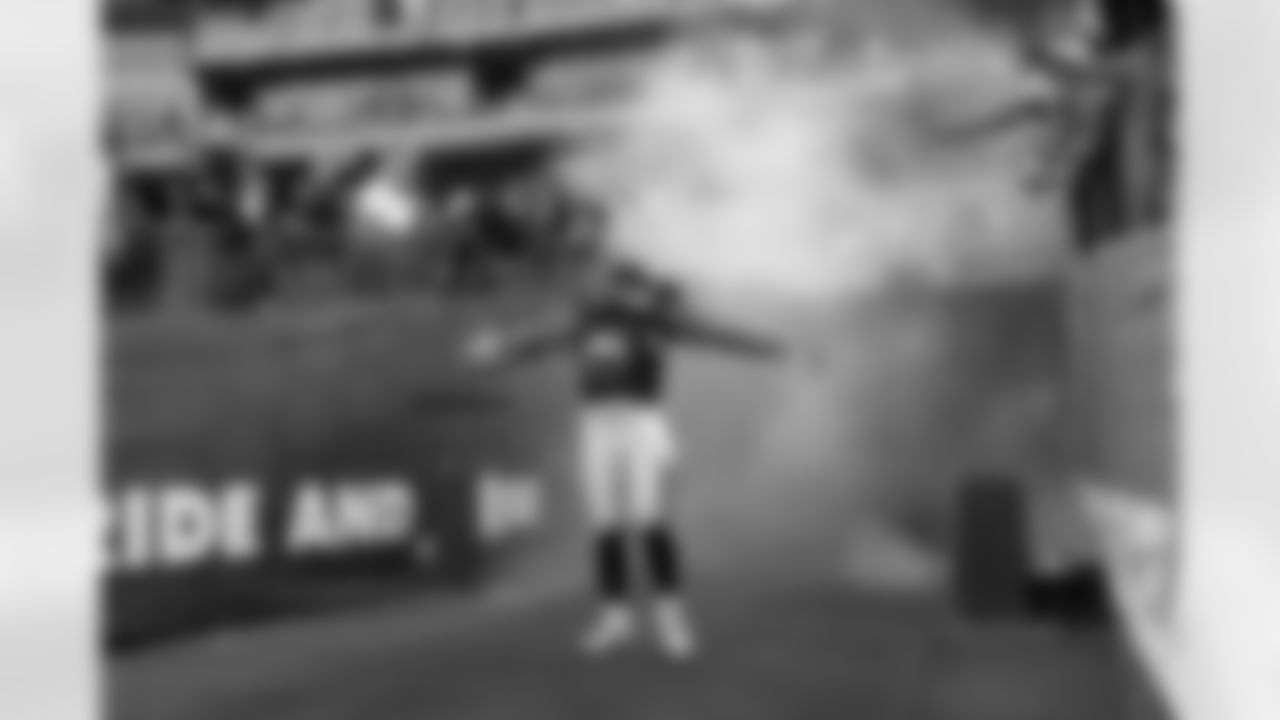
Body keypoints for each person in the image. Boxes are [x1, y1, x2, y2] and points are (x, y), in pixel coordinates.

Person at [464, 260, 817, 660]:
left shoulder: (657, 323)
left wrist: (785, 351)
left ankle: (671, 618)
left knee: (650, 520)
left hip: (642, 424)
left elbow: (724, 338)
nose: (620, 294)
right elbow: (540, 342)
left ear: (639, 291)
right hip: (596, 427)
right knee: (605, 524)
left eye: (627, 288)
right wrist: (498, 350)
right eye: (614, 286)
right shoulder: (588, 322)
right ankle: (615, 617)